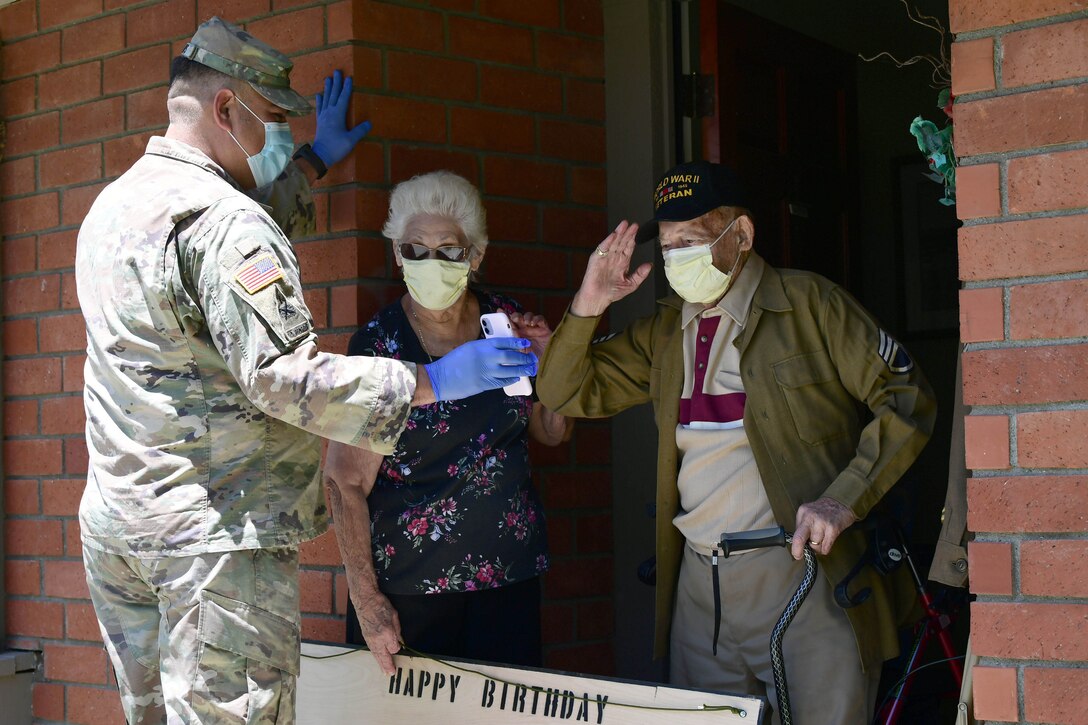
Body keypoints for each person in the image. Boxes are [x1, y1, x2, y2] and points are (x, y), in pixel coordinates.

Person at [75, 18, 536, 724]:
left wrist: (316, 159)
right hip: (213, 540)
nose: (277, 136)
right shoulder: (225, 222)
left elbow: (213, 249)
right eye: (274, 120)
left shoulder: (114, 208)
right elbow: (283, 377)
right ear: (227, 110)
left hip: (123, 528)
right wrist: (433, 381)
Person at [536, 160, 936, 724]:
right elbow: (563, 391)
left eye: (691, 241)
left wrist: (843, 497)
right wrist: (589, 303)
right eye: (669, 245)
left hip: (801, 574)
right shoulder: (664, 331)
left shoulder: (810, 304)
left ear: (741, 236)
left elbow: (906, 395)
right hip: (699, 586)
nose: (676, 258)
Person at [323, 171, 570, 674]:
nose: (429, 263)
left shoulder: (505, 322)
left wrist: (554, 368)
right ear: (397, 255)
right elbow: (344, 480)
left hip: (508, 582)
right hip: (411, 595)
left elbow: (551, 431)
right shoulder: (379, 347)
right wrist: (366, 600)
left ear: (474, 257)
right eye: (414, 250)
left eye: (447, 250)